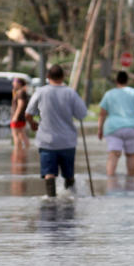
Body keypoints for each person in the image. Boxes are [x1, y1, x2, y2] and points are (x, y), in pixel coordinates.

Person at [26, 64, 88, 197]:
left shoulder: (41, 92)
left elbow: (28, 113)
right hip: (67, 142)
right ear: (63, 76)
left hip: (47, 142)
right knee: (68, 174)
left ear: (48, 76)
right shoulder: (70, 93)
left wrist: (32, 124)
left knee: (49, 174)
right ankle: (71, 198)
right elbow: (82, 114)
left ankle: (51, 201)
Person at [96, 70, 134, 177]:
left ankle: (110, 183)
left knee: (113, 154)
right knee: (131, 155)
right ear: (127, 80)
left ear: (116, 81)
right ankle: (131, 183)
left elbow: (102, 114)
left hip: (113, 128)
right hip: (133, 127)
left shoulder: (109, 94)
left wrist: (100, 129)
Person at [10, 77, 31, 151]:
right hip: (20, 117)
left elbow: (20, 105)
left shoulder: (21, 92)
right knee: (21, 134)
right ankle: (25, 151)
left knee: (16, 135)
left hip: (18, 117)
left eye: (14, 82)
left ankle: (17, 152)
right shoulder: (19, 92)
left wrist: (15, 116)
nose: (13, 83)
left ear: (19, 83)